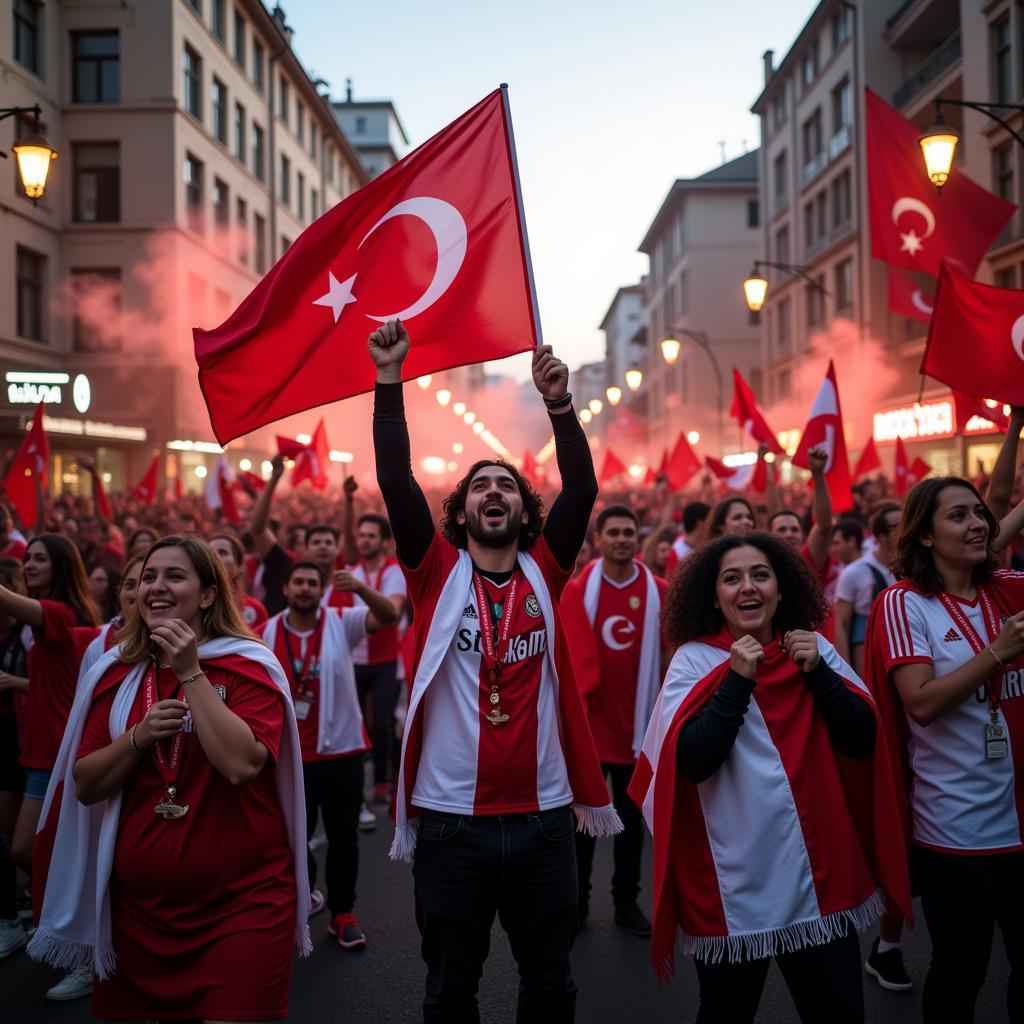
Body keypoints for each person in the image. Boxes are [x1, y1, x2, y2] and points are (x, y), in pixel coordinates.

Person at [369, 320, 619, 1024]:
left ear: (522, 510)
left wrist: (560, 406)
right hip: (452, 826)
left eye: (505, 484)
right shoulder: (434, 572)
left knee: (551, 988)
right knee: (451, 992)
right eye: (480, 486)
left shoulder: (547, 569)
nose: (493, 491)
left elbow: (583, 488)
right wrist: (390, 380)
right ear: (463, 511)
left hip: (544, 822)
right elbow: (394, 478)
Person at [630, 532, 910, 1024]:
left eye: (760, 574)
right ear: (713, 596)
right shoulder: (694, 661)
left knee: (841, 1014)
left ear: (781, 588)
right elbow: (690, 763)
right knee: (725, 1015)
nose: (748, 587)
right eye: (732, 578)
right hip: (734, 884)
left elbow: (863, 740)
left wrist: (821, 673)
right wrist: (736, 680)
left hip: (819, 880)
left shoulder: (815, 647)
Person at [28, 535, 311, 1021]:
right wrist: (135, 739)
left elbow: (242, 765)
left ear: (207, 594)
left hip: (242, 906)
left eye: (174, 576)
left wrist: (191, 672)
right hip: (138, 914)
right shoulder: (114, 672)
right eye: (147, 578)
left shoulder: (249, 665)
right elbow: (86, 784)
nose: (156, 587)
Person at [865, 477, 1024, 1022]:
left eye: (980, 514)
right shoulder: (902, 603)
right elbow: (922, 703)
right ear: (926, 535)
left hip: (1020, 825)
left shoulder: (1008, 589)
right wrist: (997, 653)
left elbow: (1005, 513)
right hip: (956, 833)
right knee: (963, 969)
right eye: (958, 516)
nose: (976, 523)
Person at [260, 560, 398, 950]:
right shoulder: (265, 633)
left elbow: (388, 615)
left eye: (312, 583)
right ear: (285, 589)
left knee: (343, 837)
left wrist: (358, 587)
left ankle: (343, 913)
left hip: (343, 752)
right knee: (292, 838)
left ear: (322, 589)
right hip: (291, 757)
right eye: (297, 582)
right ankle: (309, 892)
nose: (304, 588)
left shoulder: (342, 619)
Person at [561, 504, 668, 938]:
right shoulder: (573, 590)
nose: (623, 538)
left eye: (630, 532)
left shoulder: (661, 591)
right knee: (581, 827)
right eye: (614, 532)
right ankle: (578, 905)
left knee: (629, 826)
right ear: (599, 539)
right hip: (588, 732)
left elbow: (674, 657)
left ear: (638, 539)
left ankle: (626, 904)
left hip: (637, 730)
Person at [0, 535, 100, 1000]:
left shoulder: (60, 613)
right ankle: (58, 931)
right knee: (31, 851)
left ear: (61, 565)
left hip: (58, 753)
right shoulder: (46, 615)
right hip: (35, 749)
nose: (29, 563)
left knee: (31, 850)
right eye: (27, 557)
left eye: (40, 558)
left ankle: (77, 944)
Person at [340, 512, 408, 804]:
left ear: (384, 542)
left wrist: (360, 589)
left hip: (386, 661)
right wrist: (349, 503)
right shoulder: (351, 571)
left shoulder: (393, 572)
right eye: (362, 535)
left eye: (371, 535)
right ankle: (365, 779)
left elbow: (392, 611)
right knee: (359, 724)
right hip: (353, 660)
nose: (364, 540)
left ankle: (385, 779)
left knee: (382, 723)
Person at [833, 503, 901, 678]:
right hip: (867, 653)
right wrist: (846, 673)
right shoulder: (853, 572)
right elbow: (841, 625)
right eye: (896, 527)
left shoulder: (916, 569)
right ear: (881, 536)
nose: (905, 529)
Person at [0, 559, 29, 959]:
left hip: (27, 739)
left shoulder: (31, 632)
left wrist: (16, 682)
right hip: (6, 736)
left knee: (19, 844)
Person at [211, 531, 269, 629]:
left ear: (238, 564)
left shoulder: (255, 609)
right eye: (210, 553)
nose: (215, 557)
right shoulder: (194, 606)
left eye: (222, 552)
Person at [665, 501, 711, 575]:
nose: (712, 524)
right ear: (700, 522)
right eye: (709, 520)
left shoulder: (709, 544)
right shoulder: (677, 551)